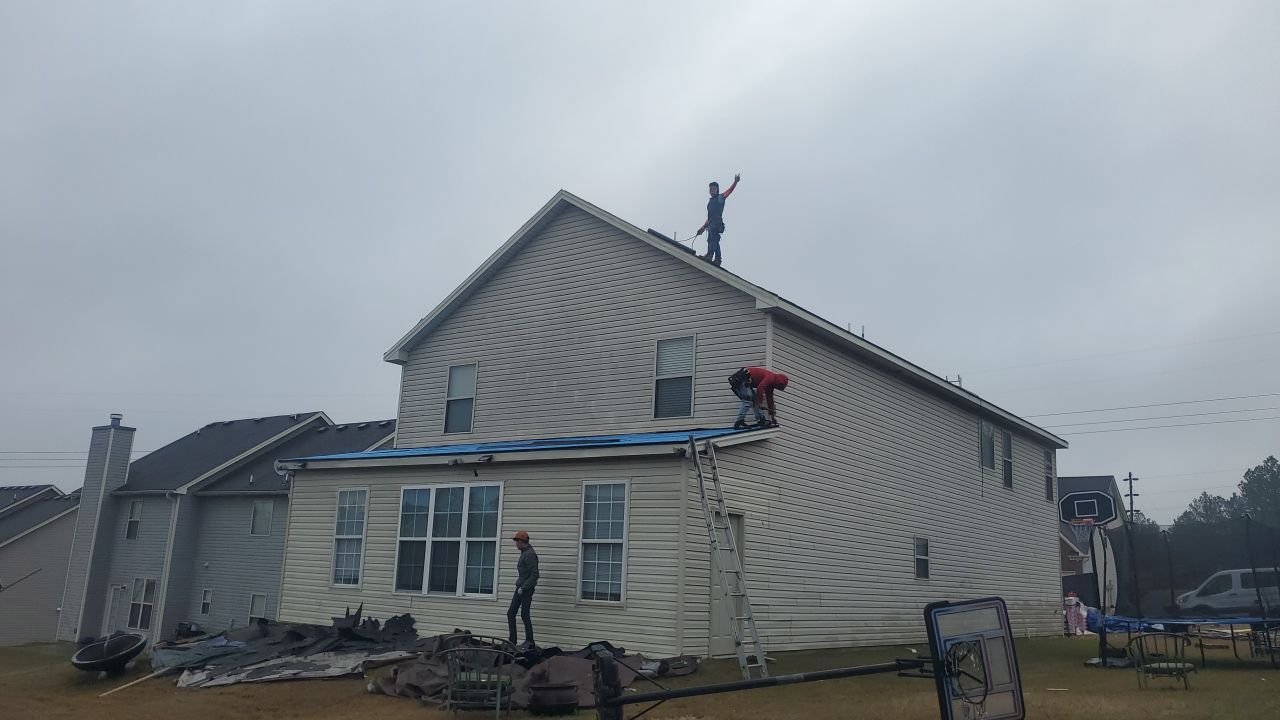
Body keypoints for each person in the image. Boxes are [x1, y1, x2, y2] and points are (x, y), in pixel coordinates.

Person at [696, 173, 741, 266]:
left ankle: (710, 255)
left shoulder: (720, 197)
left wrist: (735, 182)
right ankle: (717, 260)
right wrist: (702, 228)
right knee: (713, 239)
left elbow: (729, 191)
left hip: (717, 223)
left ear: (717, 189)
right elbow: (709, 218)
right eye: (710, 189)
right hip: (711, 222)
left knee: (712, 237)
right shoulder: (710, 202)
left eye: (713, 188)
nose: (711, 190)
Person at [508, 530, 539, 649]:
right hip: (520, 587)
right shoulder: (524, 552)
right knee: (511, 613)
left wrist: (524, 587)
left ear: (521, 541)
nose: (516, 544)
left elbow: (535, 574)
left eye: (516, 541)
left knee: (524, 614)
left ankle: (530, 641)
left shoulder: (530, 554)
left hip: (526, 589)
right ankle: (512, 641)